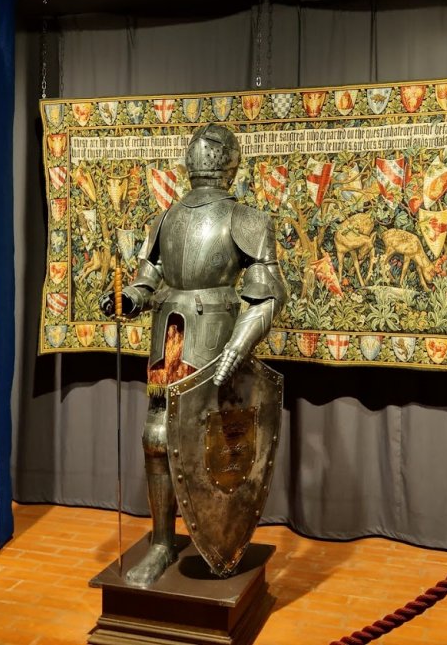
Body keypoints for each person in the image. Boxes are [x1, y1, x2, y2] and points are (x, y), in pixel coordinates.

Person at [100, 123, 286, 587]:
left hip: (216, 336)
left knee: (216, 441)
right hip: (170, 337)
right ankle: (163, 541)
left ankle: (216, 534)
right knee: (156, 436)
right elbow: (149, 276)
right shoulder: (166, 218)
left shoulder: (245, 218)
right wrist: (129, 298)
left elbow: (267, 293)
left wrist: (239, 345)